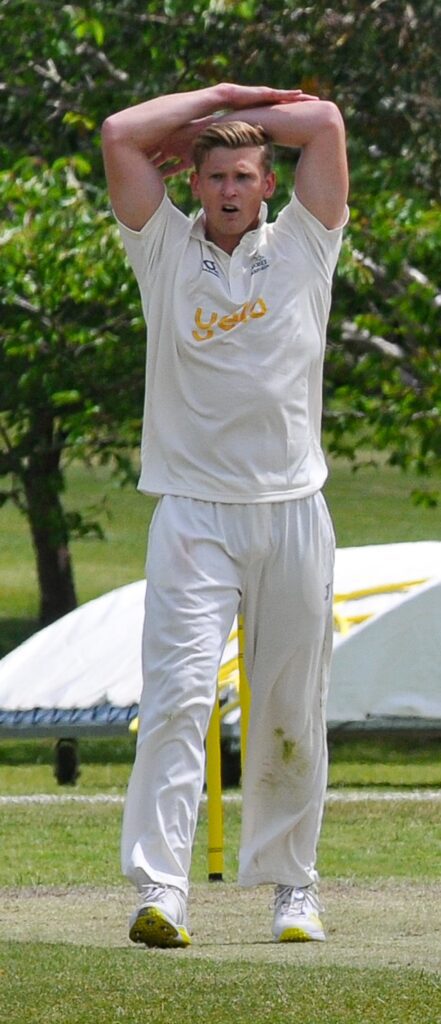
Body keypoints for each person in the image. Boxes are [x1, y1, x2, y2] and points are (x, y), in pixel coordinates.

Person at [101, 82, 349, 949]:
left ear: (268, 184)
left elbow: (322, 122)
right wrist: (214, 105)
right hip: (192, 513)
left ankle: (293, 890)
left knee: (290, 708)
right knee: (176, 699)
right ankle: (162, 888)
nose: (232, 189)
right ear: (194, 183)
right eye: (216, 176)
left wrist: (222, 119)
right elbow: (119, 134)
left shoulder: (306, 242)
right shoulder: (163, 250)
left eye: (245, 175)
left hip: (291, 509)